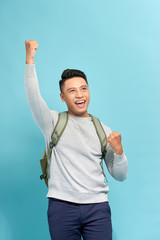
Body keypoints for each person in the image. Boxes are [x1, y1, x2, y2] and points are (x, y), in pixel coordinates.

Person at [24, 40, 128, 240]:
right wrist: (29, 60)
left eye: (83, 89)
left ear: (89, 91)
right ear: (63, 97)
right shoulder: (52, 122)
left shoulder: (102, 129)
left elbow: (120, 175)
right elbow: (33, 97)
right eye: (72, 91)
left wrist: (119, 152)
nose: (79, 95)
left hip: (98, 209)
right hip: (61, 207)